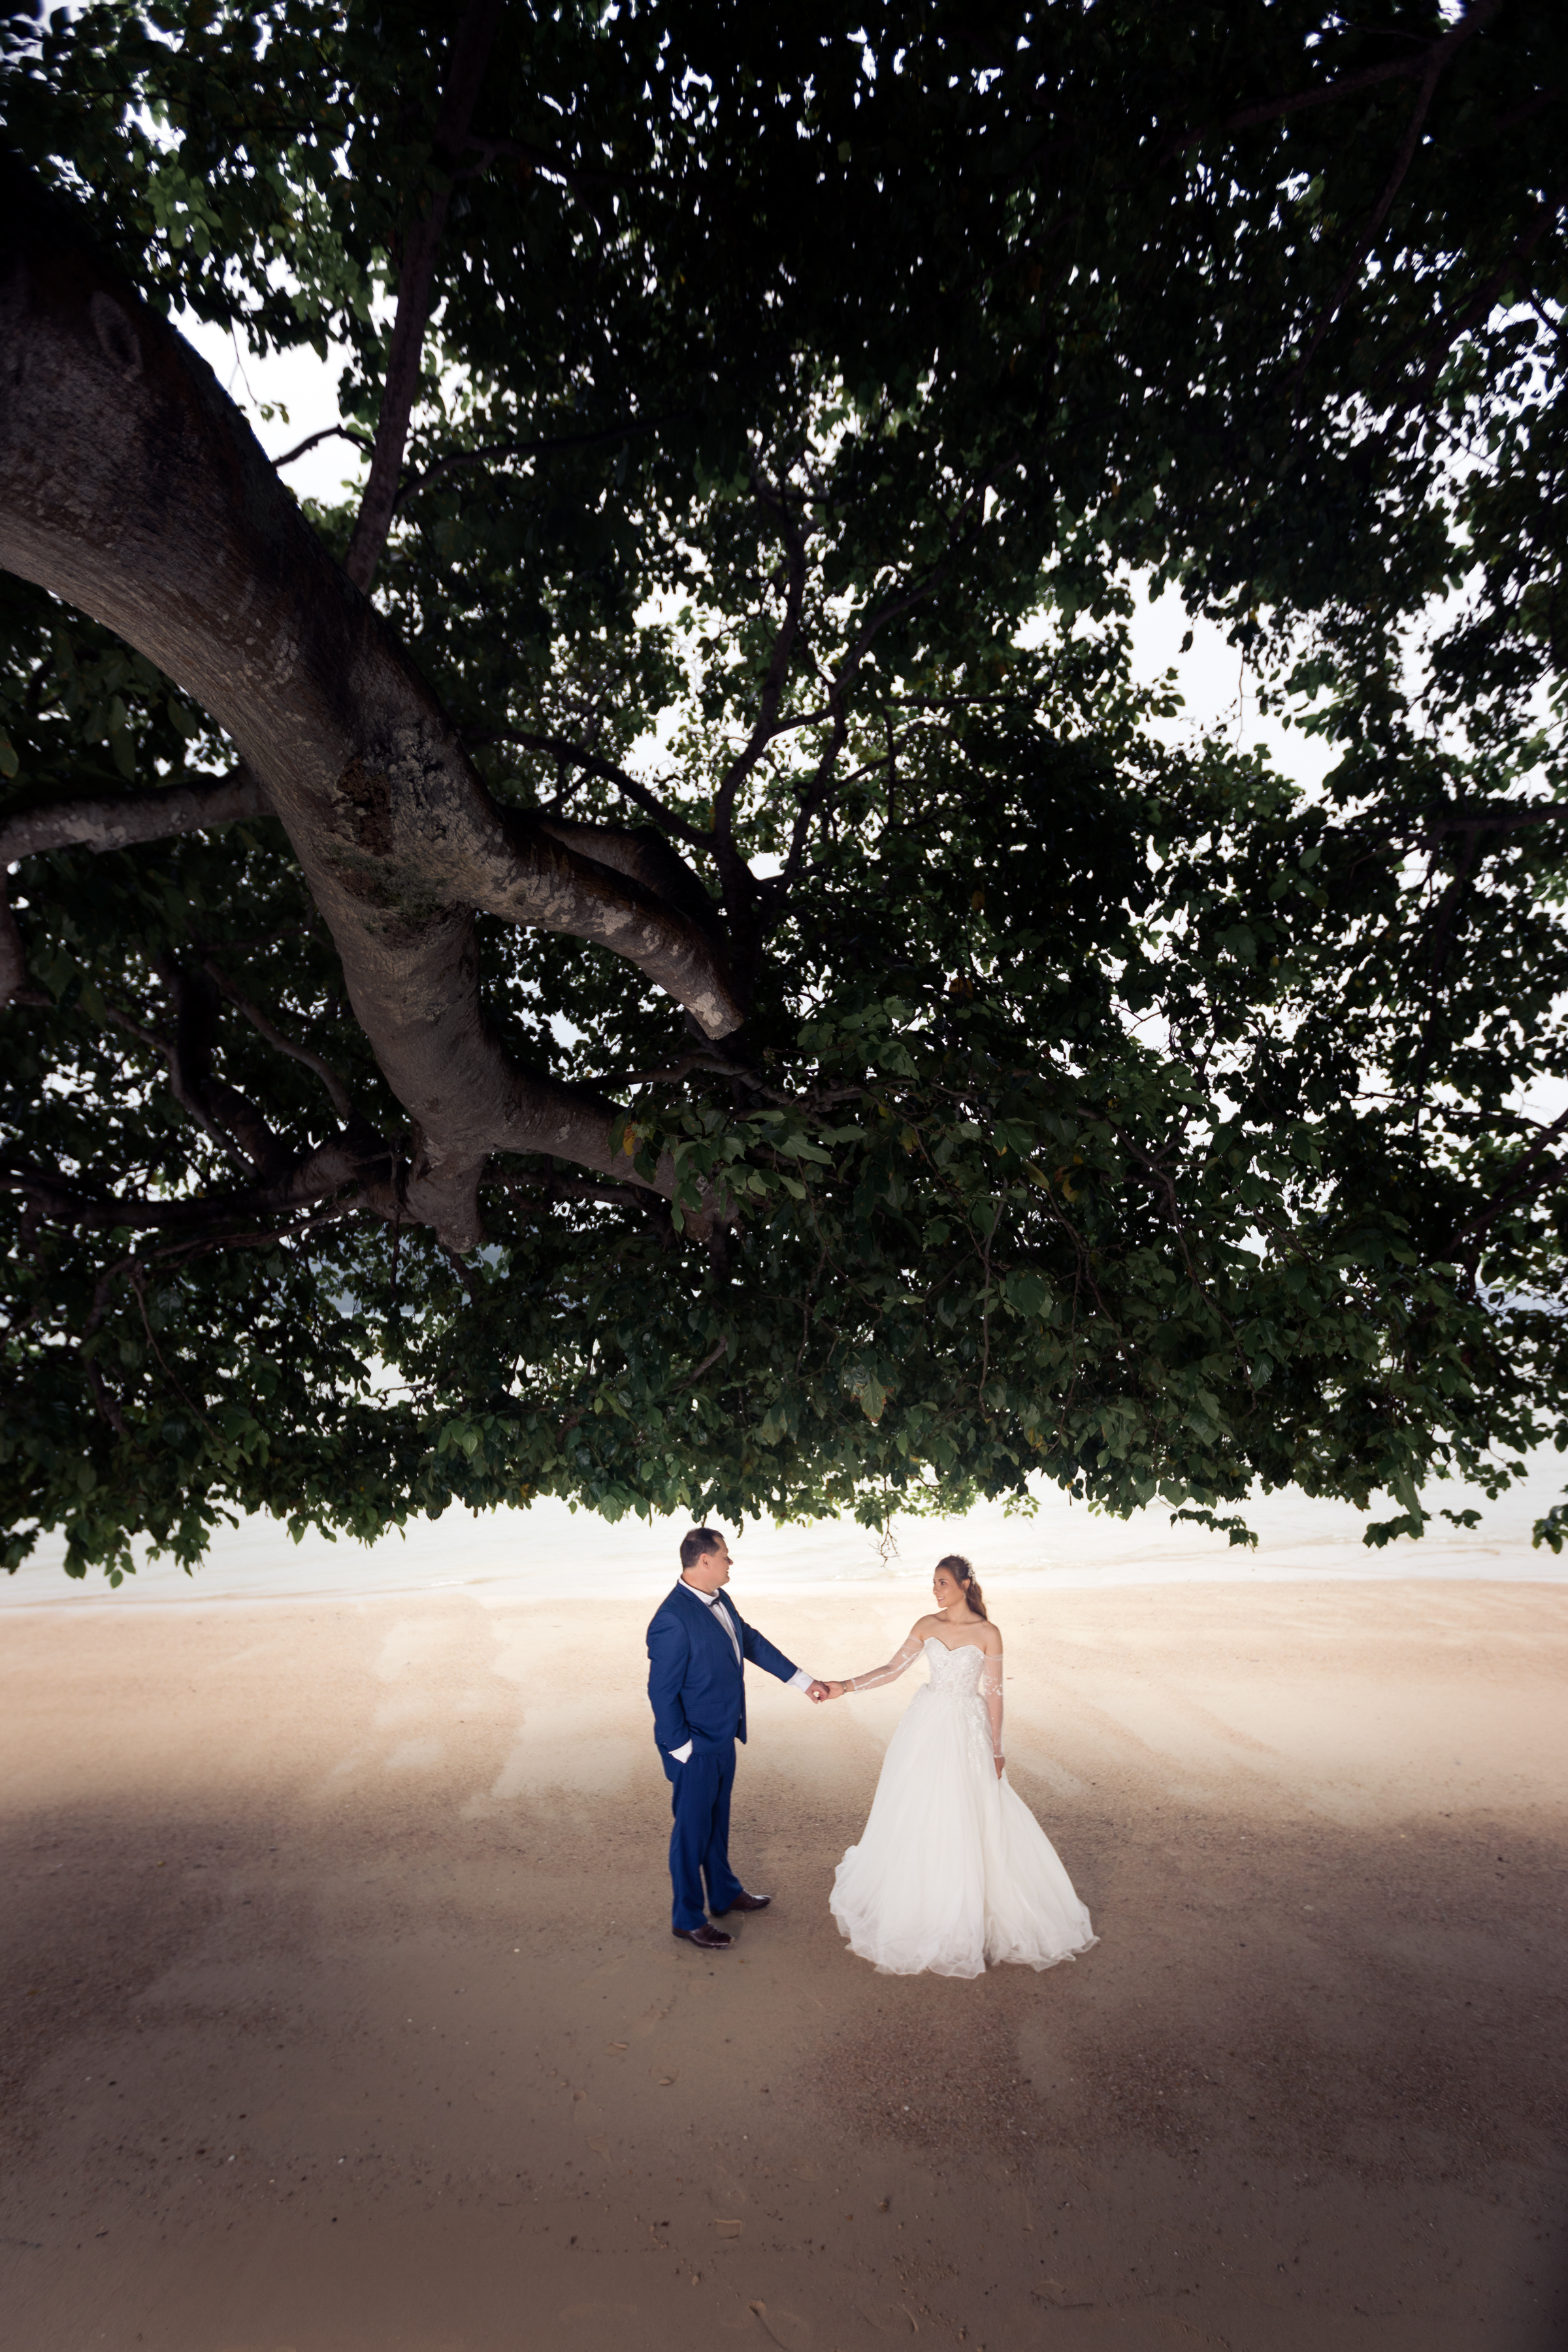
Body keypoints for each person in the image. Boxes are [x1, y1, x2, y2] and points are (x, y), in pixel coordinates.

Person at [821, 1554, 1097, 1978]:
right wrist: (846, 1686)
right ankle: (921, 1900)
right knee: (919, 1806)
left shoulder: (988, 1633)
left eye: (943, 1582)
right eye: (933, 1582)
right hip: (926, 1724)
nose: (936, 1589)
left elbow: (995, 1694)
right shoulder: (926, 1625)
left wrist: (998, 1748)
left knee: (970, 1811)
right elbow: (894, 1670)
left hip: (967, 1730)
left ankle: (971, 1910)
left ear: (965, 1584)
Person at [646, 1527, 830, 1950]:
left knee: (716, 1825)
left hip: (724, 1736)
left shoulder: (721, 1599)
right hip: (693, 1746)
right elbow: (662, 1692)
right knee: (691, 1833)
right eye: (726, 1556)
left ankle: (724, 1893)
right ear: (704, 1561)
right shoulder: (671, 1619)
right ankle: (687, 1918)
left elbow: (750, 1642)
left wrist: (803, 1681)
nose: (731, 1562)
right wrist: (682, 1749)